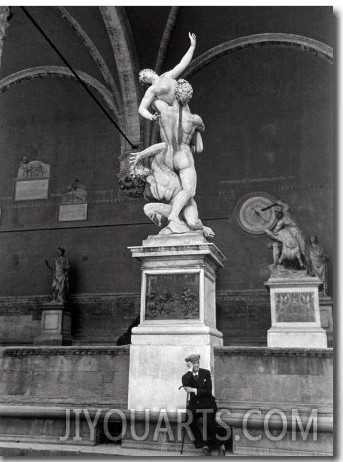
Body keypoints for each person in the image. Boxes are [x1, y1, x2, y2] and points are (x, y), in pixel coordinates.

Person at [129, 99, 213, 237]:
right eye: (136, 172)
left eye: (137, 169)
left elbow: (163, 146)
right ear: (139, 179)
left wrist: (141, 154)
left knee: (193, 223)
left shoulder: (157, 166)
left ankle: (201, 227)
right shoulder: (151, 189)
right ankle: (174, 218)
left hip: (187, 204)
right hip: (173, 207)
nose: (139, 169)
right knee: (148, 208)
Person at [138, 32, 196, 122]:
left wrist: (192, 46)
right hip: (174, 111)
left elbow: (182, 64)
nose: (144, 76)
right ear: (146, 82)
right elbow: (141, 108)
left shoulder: (167, 75)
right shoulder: (152, 89)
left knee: (196, 123)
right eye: (143, 78)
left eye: (144, 73)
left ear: (151, 71)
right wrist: (150, 116)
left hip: (183, 105)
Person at [181, 354, 226, 456]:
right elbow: (185, 382)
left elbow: (208, 391)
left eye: (197, 362)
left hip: (208, 404)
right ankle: (204, 445)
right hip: (195, 405)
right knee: (189, 420)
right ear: (190, 365)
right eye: (193, 363)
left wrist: (193, 390)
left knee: (208, 422)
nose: (196, 365)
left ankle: (221, 445)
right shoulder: (186, 376)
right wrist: (190, 370)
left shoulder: (205, 373)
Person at [264, 200, 306, 268]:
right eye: (275, 214)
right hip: (294, 234)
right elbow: (286, 206)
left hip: (296, 233)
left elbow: (274, 232)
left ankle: (307, 266)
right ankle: (278, 263)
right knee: (302, 249)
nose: (276, 215)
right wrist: (279, 203)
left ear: (280, 213)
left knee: (303, 250)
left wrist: (279, 203)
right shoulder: (283, 218)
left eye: (277, 214)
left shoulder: (284, 216)